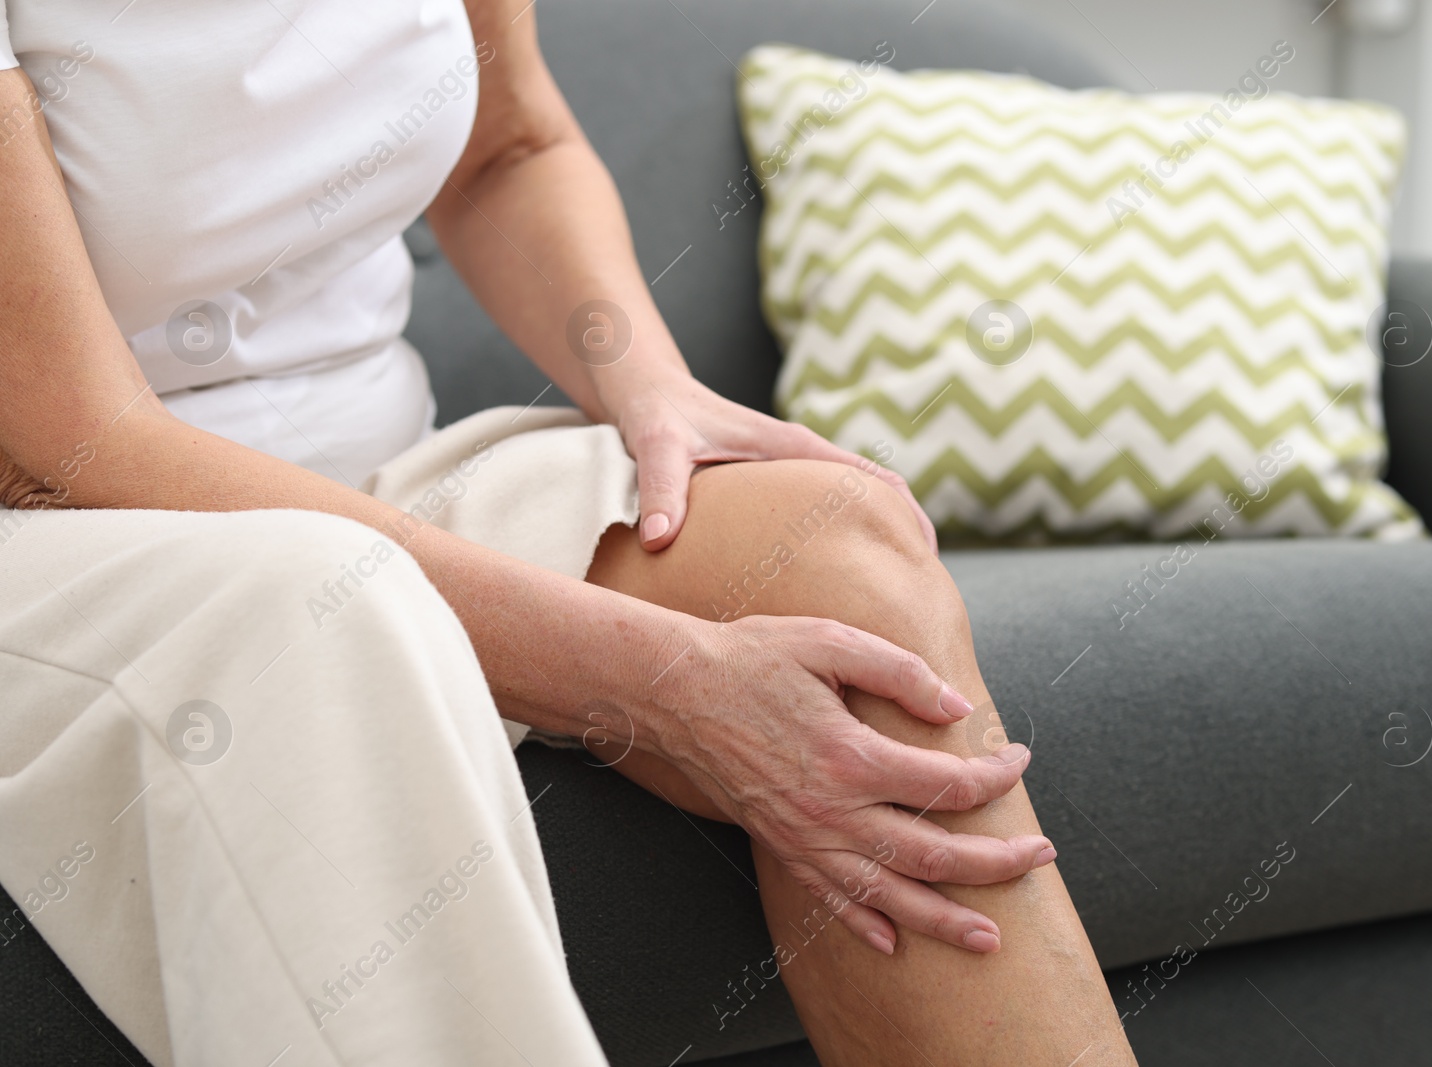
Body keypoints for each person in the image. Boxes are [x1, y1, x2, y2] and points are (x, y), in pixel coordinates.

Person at [0, 1, 1137, 1064]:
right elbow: (80, 438)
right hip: (65, 520)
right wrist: (664, 679)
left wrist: (652, 388)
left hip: (365, 471)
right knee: (322, 606)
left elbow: (511, 149)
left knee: (837, 554)